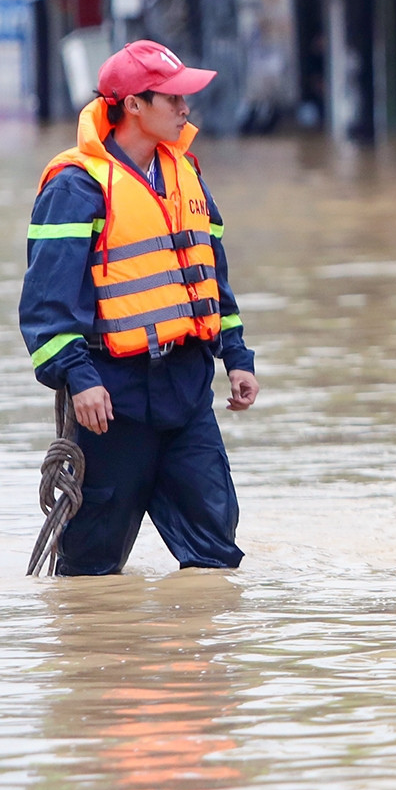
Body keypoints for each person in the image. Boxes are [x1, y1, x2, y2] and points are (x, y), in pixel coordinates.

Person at [19, 39, 259, 575]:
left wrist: (237, 357)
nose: (184, 108)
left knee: (216, 560)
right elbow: (45, 304)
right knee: (90, 573)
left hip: (186, 390)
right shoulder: (76, 186)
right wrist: (78, 377)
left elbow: (211, 279)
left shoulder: (186, 174)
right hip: (112, 402)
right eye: (171, 98)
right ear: (132, 104)